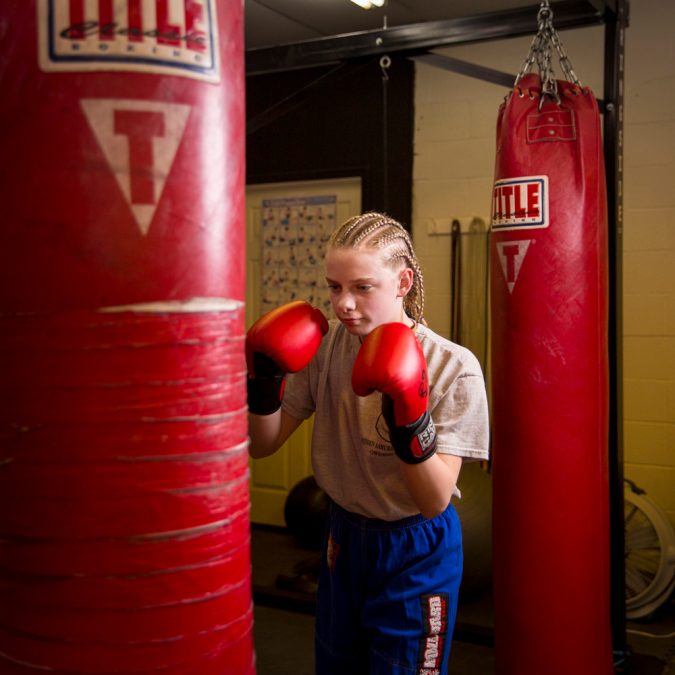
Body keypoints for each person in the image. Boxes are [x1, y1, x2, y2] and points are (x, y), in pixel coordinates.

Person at [247, 211, 489, 674]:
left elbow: (435, 500)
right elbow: (264, 444)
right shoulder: (327, 349)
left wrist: (408, 413)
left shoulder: (452, 367)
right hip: (344, 537)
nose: (343, 304)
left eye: (362, 287)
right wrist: (264, 381)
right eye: (334, 287)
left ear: (403, 282)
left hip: (416, 545)